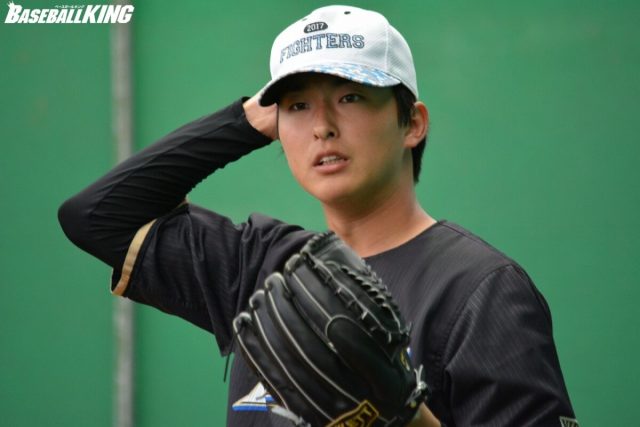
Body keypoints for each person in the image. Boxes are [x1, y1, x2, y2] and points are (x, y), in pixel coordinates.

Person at [58, 5, 578, 427]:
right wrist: (244, 121)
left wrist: (405, 417)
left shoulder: (481, 289)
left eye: (350, 96)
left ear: (412, 123)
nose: (322, 126)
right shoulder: (262, 267)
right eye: (298, 106)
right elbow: (96, 216)